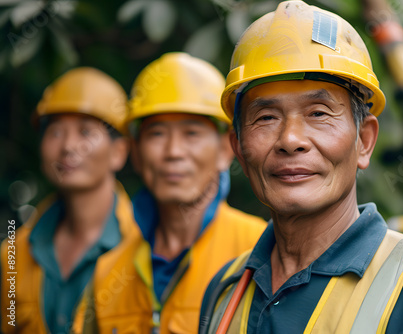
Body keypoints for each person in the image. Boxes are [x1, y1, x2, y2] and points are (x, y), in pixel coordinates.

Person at [199, 1, 403, 333]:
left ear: (365, 141)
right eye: (266, 117)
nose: (290, 139)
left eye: (319, 113)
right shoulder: (224, 293)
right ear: (238, 149)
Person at [80, 52, 266, 333]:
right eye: (157, 134)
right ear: (136, 153)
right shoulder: (108, 271)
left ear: (226, 149)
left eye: (191, 133)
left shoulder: (260, 250)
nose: (173, 152)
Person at [0, 67, 142, 334]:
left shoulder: (145, 246)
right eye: (55, 132)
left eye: (86, 132)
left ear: (118, 152)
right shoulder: (13, 253)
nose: (67, 146)